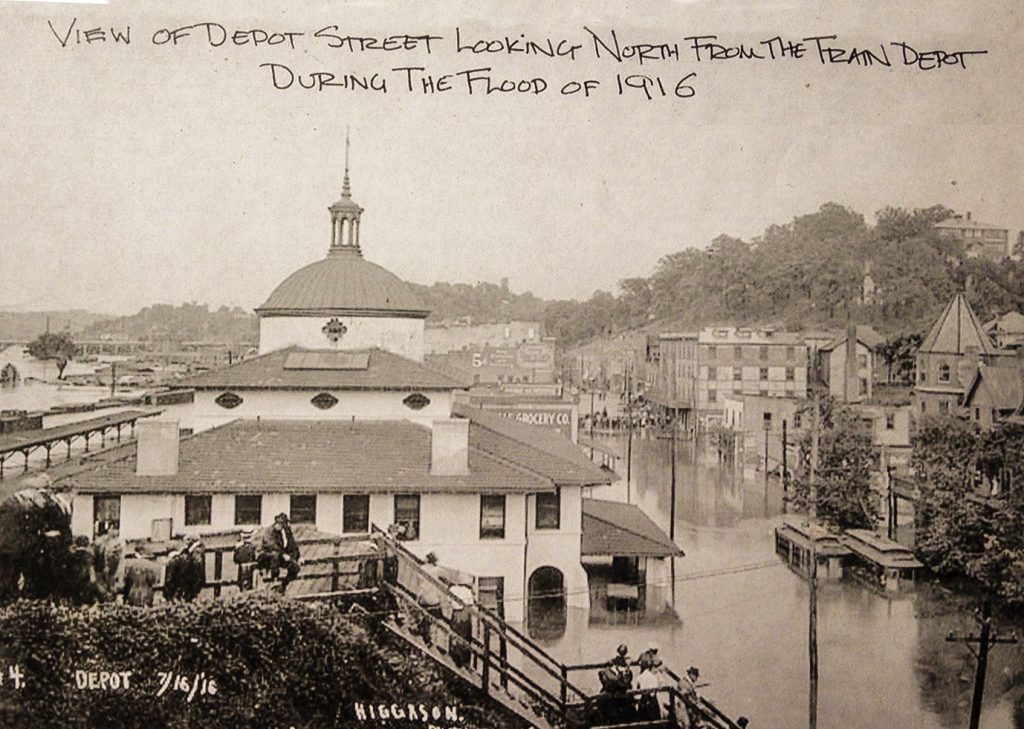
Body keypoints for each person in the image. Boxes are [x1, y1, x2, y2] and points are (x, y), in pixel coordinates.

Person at [260, 513, 301, 592]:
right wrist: (283, 554)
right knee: (275, 556)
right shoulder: (269, 531)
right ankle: (273, 581)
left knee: (295, 566)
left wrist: (298, 557)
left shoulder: (285, 531)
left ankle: (283, 585)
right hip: (267, 556)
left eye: (283, 524)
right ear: (276, 523)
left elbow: (292, 544)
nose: (281, 526)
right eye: (280, 524)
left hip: (280, 556)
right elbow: (272, 546)